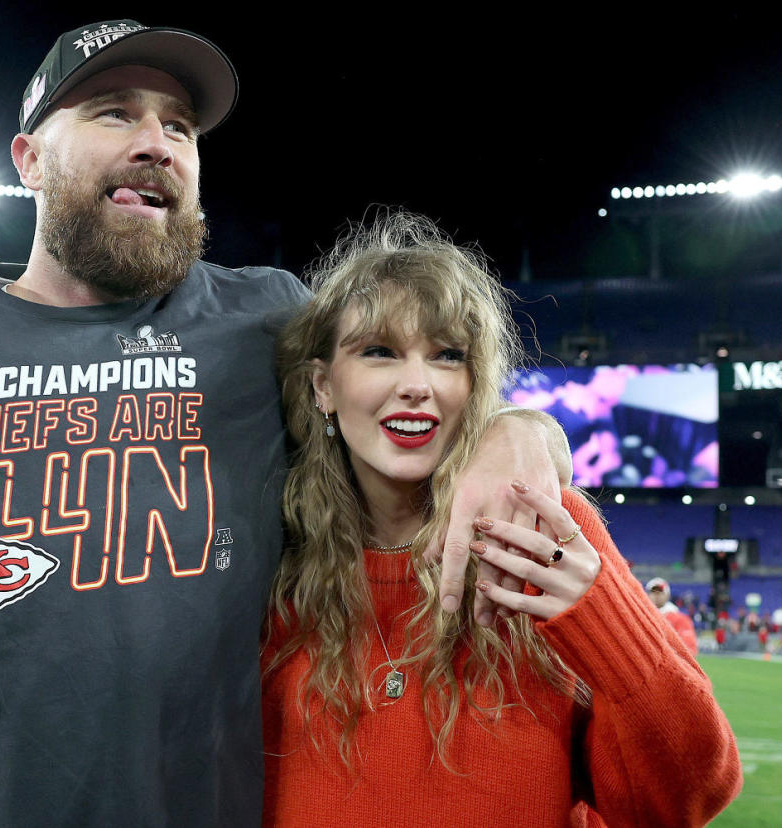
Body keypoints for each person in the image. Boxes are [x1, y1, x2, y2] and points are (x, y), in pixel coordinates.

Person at [0, 21, 563, 827]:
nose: (157, 141)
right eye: (114, 111)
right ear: (29, 159)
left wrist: (517, 434)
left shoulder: (267, 323)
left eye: (182, 126)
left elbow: (419, 402)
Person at [262, 214, 741, 826]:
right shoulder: (268, 549)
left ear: (477, 383)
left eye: (447, 356)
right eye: (379, 351)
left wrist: (603, 617)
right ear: (323, 386)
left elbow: (688, 795)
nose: (416, 384)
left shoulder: (541, 526)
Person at [646, 576, 700, 655]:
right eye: (653, 592)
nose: (656, 595)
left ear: (668, 595)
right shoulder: (641, 615)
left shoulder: (680, 618)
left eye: (660, 592)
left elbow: (689, 648)